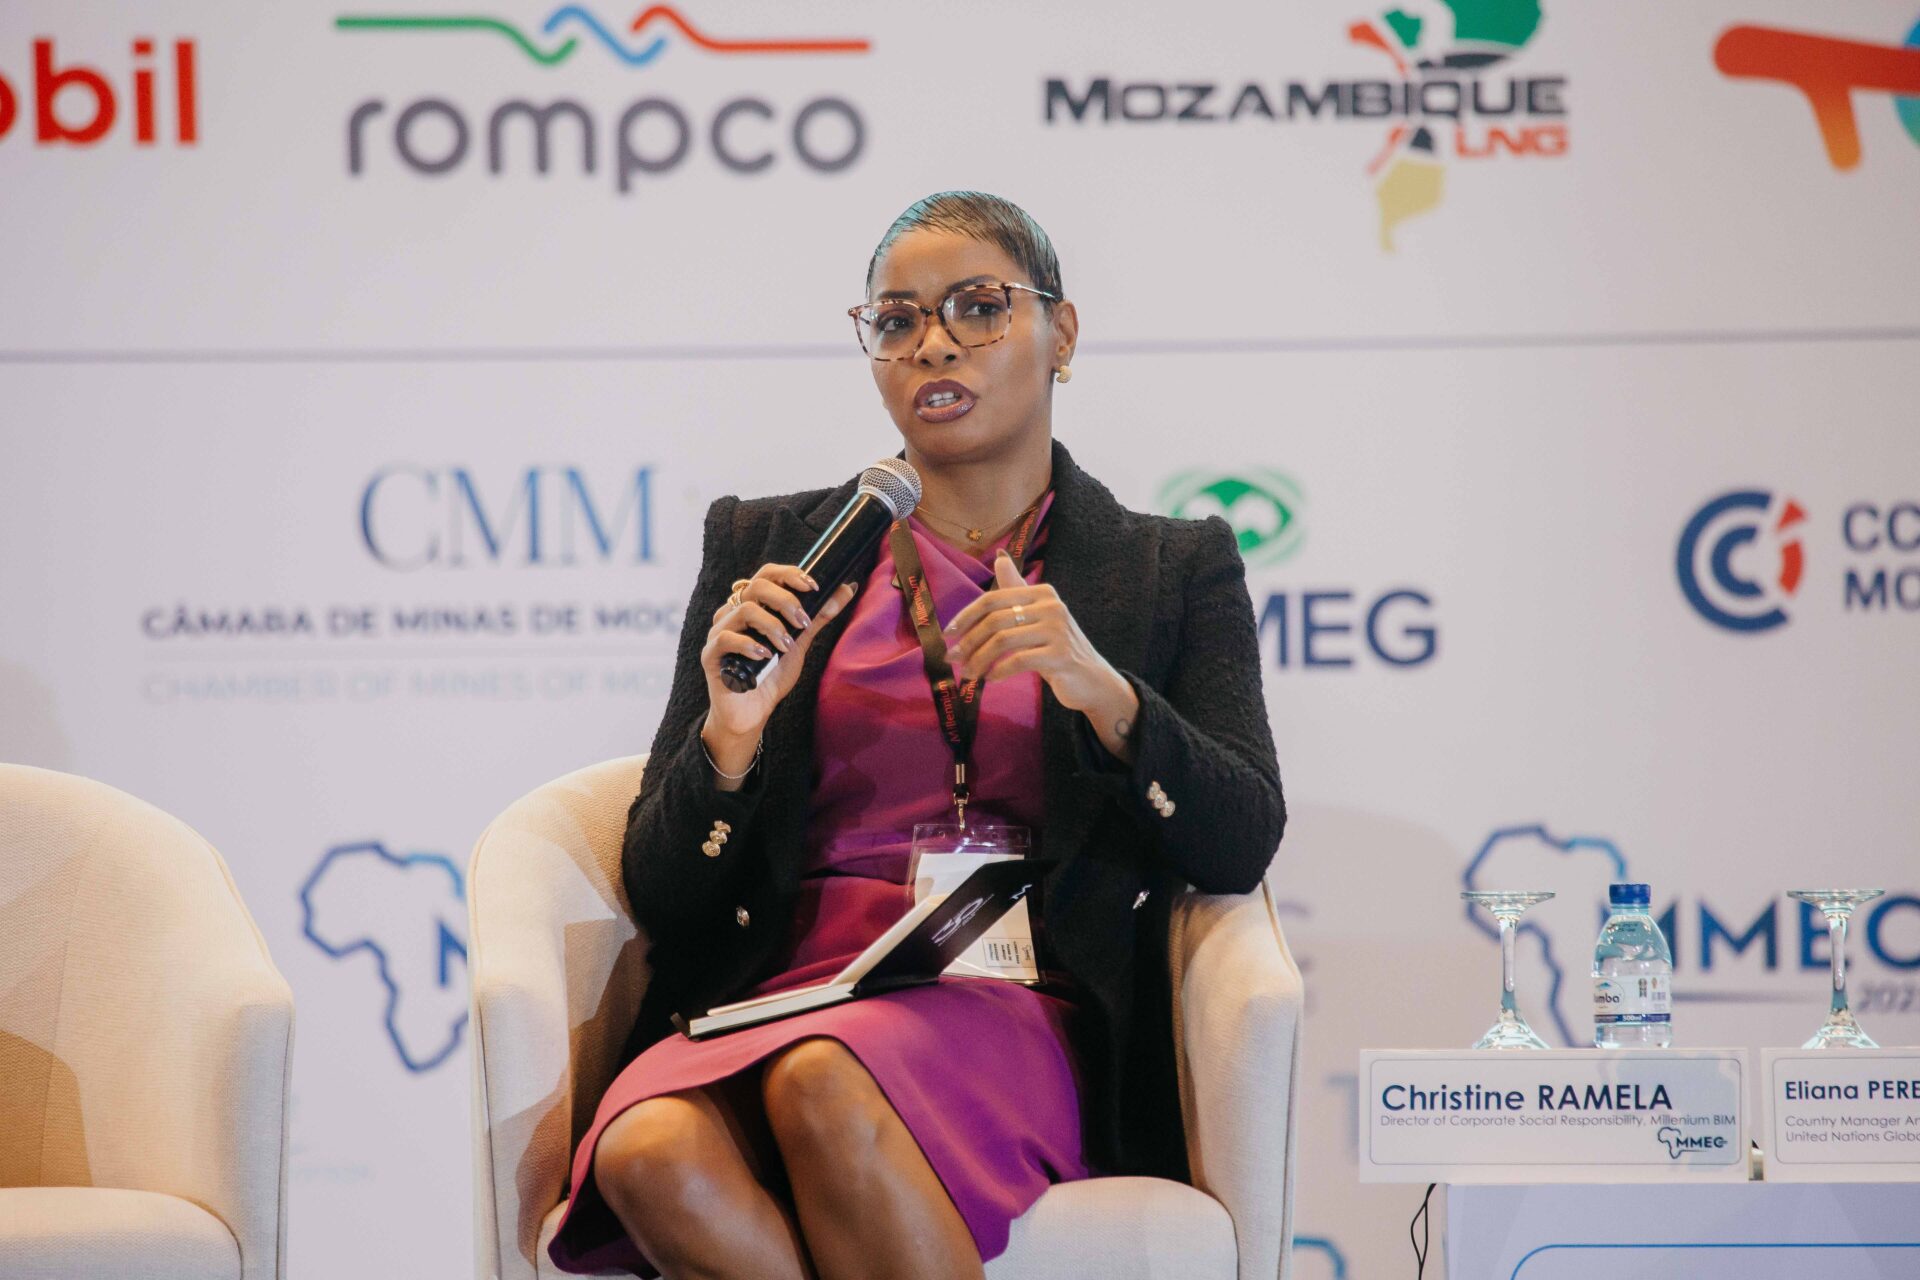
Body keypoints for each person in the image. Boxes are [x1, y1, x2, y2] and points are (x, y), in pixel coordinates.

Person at [548, 191, 1286, 1280]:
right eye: (896, 321)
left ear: (1061, 333)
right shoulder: (770, 548)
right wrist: (731, 739)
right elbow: (668, 891)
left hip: (1004, 994)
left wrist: (1103, 693)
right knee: (646, 1150)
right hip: (784, 981)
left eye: (978, 306)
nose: (934, 342)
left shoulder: (1168, 567)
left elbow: (1239, 839)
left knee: (822, 1082)